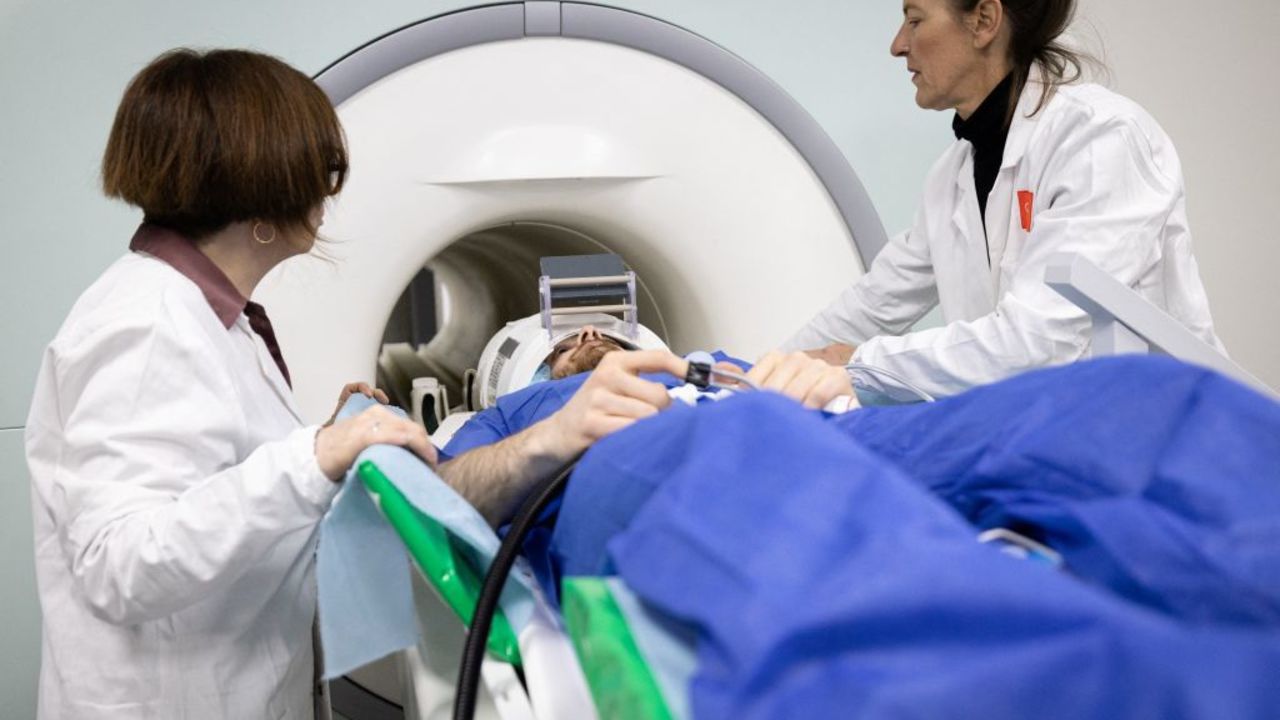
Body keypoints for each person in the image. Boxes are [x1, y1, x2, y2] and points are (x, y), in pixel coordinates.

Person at [24, 49, 437, 719]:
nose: (328, 195)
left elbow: (210, 474)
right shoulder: (146, 325)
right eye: (319, 171)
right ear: (262, 197)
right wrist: (312, 458)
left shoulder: (213, 313)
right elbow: (118, 562)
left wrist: (318, 440)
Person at [786, 0, 1224, 397]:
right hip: (1051, 430)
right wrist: (756, 376)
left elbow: (1038, 341)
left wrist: (861, 364)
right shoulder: (953, 173)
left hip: (1167, 433)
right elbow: (874, 302)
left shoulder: (1100, 138)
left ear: (984, 21)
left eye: (915, 20)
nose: (898, 46)